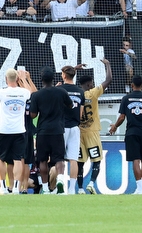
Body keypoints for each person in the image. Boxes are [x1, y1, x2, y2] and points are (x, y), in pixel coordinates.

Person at [109, 75, 142, 194]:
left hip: (131, 132)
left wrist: (115, 127)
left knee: (135, 160)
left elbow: (122, 117)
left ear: (132, 85)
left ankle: (139, 188)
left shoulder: (126, 99)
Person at [29, 67, 73, 194]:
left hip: (43, 131)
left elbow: (33, 115)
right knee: (59, 159)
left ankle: (46, 188)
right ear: (53, 79)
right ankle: (59, 180)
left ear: (41, 80)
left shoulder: (36, 95)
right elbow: (70, 105)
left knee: (42, 160)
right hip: (58, 130)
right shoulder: (61, 92)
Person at [0, 69, 34, 194]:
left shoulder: (2, 92)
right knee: (18, 159)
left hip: (4, 130)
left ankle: (2, 187)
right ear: (17, 79)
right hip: (19, 130)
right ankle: (16, 188)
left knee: (1, 159)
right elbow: (31, 92)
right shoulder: (24, 92)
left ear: (6, 79)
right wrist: (24, 79)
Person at [77, 59, 112, 194]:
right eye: (91, 83)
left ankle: (79, 188)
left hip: (79, 133)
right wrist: (107, 65)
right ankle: (91, 183)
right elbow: (108, 80)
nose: (92, 84)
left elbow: (66, 78)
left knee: (79, 162)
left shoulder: (76, 94)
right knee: (96, 160)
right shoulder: (93, 93)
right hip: (92, 132)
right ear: (88, 83)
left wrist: (74, 69)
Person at [59, 65, 86, 194]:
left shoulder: (59, 89)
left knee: (59, 158)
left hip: (61, 126)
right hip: (75, 127)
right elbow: (81, 114)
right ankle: (71, 189)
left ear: (64, 75)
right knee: (73, 159)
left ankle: (59, 186)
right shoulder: (80, 91)